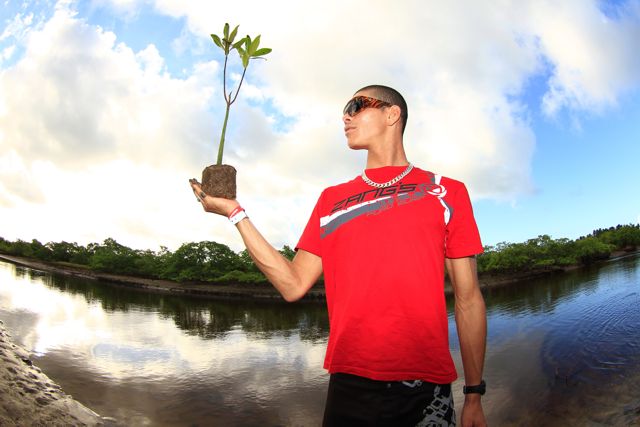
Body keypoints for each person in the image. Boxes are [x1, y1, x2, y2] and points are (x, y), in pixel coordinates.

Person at [189, 84, 487, 427]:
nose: (346, 116)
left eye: (357, 105)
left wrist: (474, 394)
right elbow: (293, 285)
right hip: (349, 384)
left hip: (425, 387)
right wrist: (235, 213)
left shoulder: (447, 192)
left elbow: (468, 300)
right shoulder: (332, 200)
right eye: (346, 109)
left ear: (393, 114)